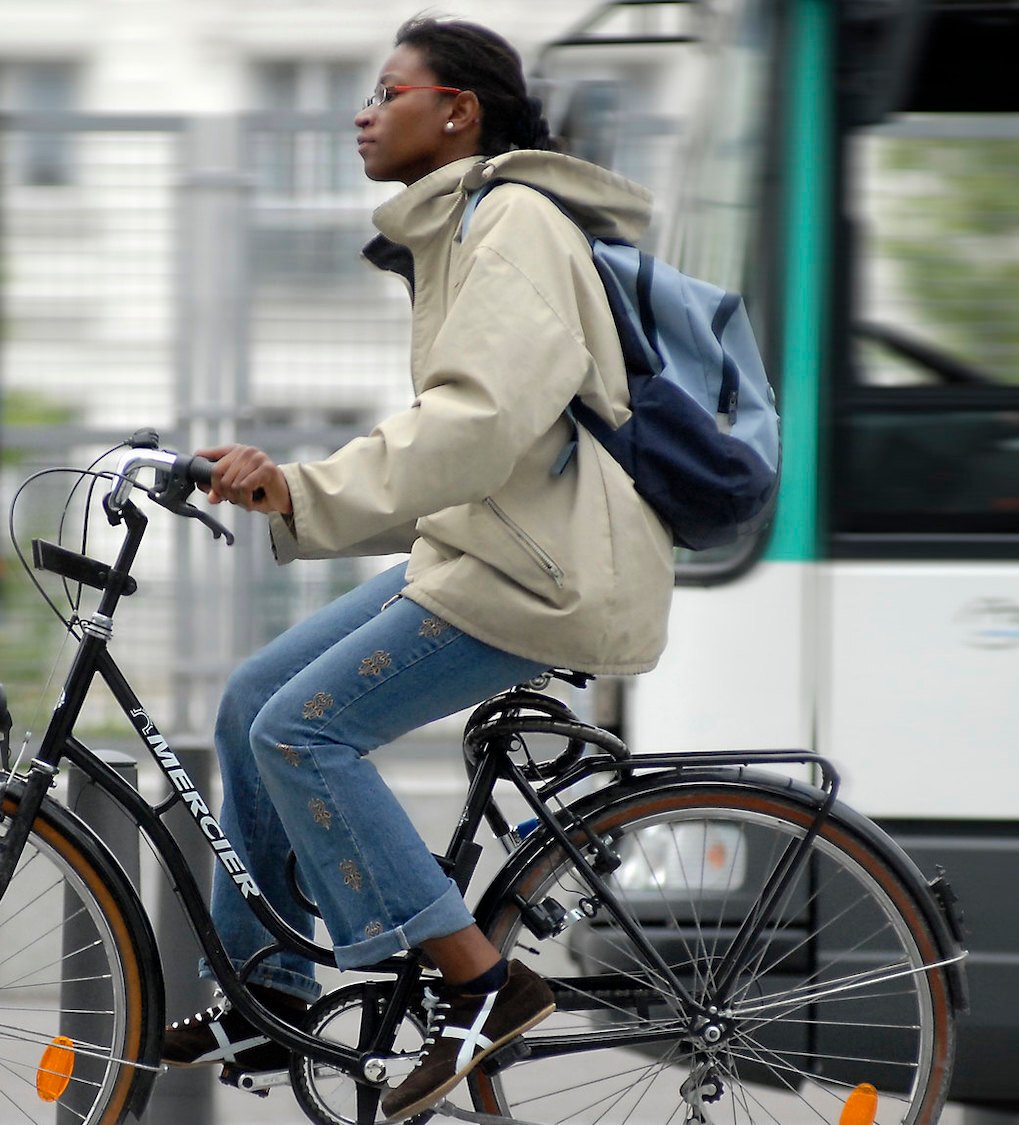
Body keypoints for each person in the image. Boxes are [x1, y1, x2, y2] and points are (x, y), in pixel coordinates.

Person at [158, 15, 674, 1122]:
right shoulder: (462, 229)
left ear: (457, 112)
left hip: (543, 574)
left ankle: (486, 984)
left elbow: (473, 429)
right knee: (252, 697)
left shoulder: (514, 225)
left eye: (386, 91)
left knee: (301, 729)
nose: (360, 112)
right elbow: (473, 443)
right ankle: (264, 991)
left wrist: (299, 488)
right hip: (488, 552)